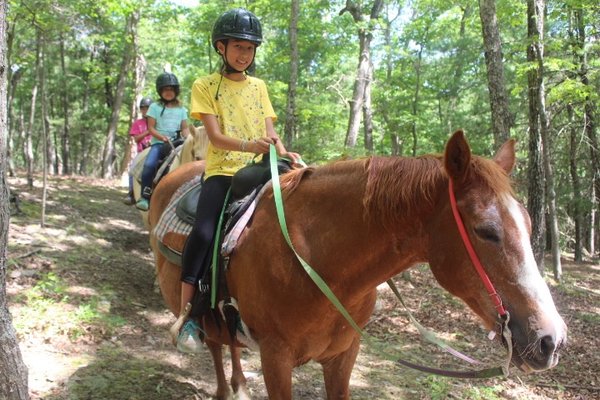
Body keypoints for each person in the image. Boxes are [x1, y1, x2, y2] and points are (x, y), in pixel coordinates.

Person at [170, 8, 301, 352]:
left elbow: (270, 134)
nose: (244, 54)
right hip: (224, 172)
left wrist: (286, 155)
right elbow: (213, 136)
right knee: (203, 233)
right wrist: (248, 144)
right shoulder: (206, 86)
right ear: (221, 47)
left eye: (249, 48)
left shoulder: (259, 87)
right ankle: (189, 316)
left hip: (260, 167)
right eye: (238, 47)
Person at [135, 72, 189, 211]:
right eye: (165, 89)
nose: (168, 92)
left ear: (176, 91)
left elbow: (184, 128)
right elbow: (151, 128)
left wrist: (189, 139)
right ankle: (145, 195)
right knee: (149, 165)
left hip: (178, 143)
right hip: (159, 144)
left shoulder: (182, 109)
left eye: (171, 89)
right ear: (160, 91)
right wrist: (161, 137)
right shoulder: (154, 107)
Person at [123, 97, 153, 205]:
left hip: (155, 149)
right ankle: (131, 194)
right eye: (143, 108)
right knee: (132, 169)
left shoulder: (157, 122)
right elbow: (136, 139)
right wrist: (148, 131)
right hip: (142, 152)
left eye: (148, 108)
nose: (145, 111)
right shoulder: (137, 123)